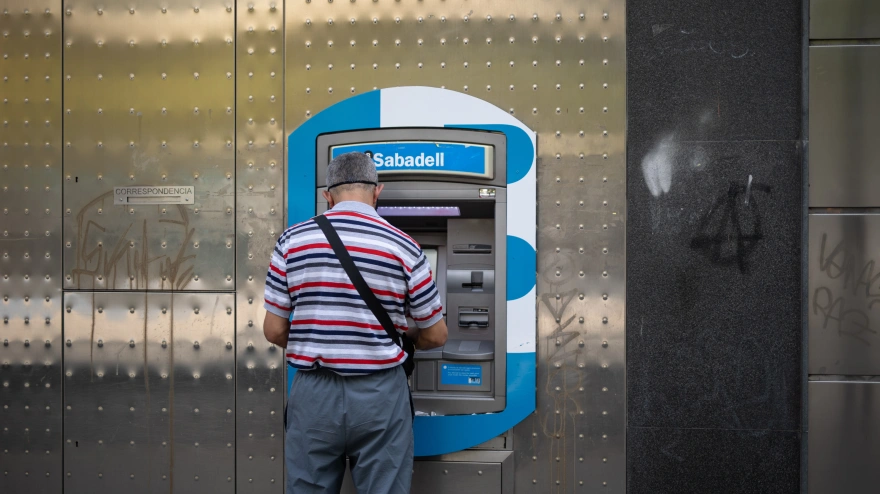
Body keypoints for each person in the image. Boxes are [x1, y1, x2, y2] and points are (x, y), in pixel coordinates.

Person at [263, 152, 448, 493]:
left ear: (327, 195)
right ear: (377, 191)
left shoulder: (292, 242)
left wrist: (320, 340)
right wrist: (405, 342)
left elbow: (273, 330)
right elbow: (436, 335)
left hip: (314, 394)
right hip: (381, 395)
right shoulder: (405, 247)